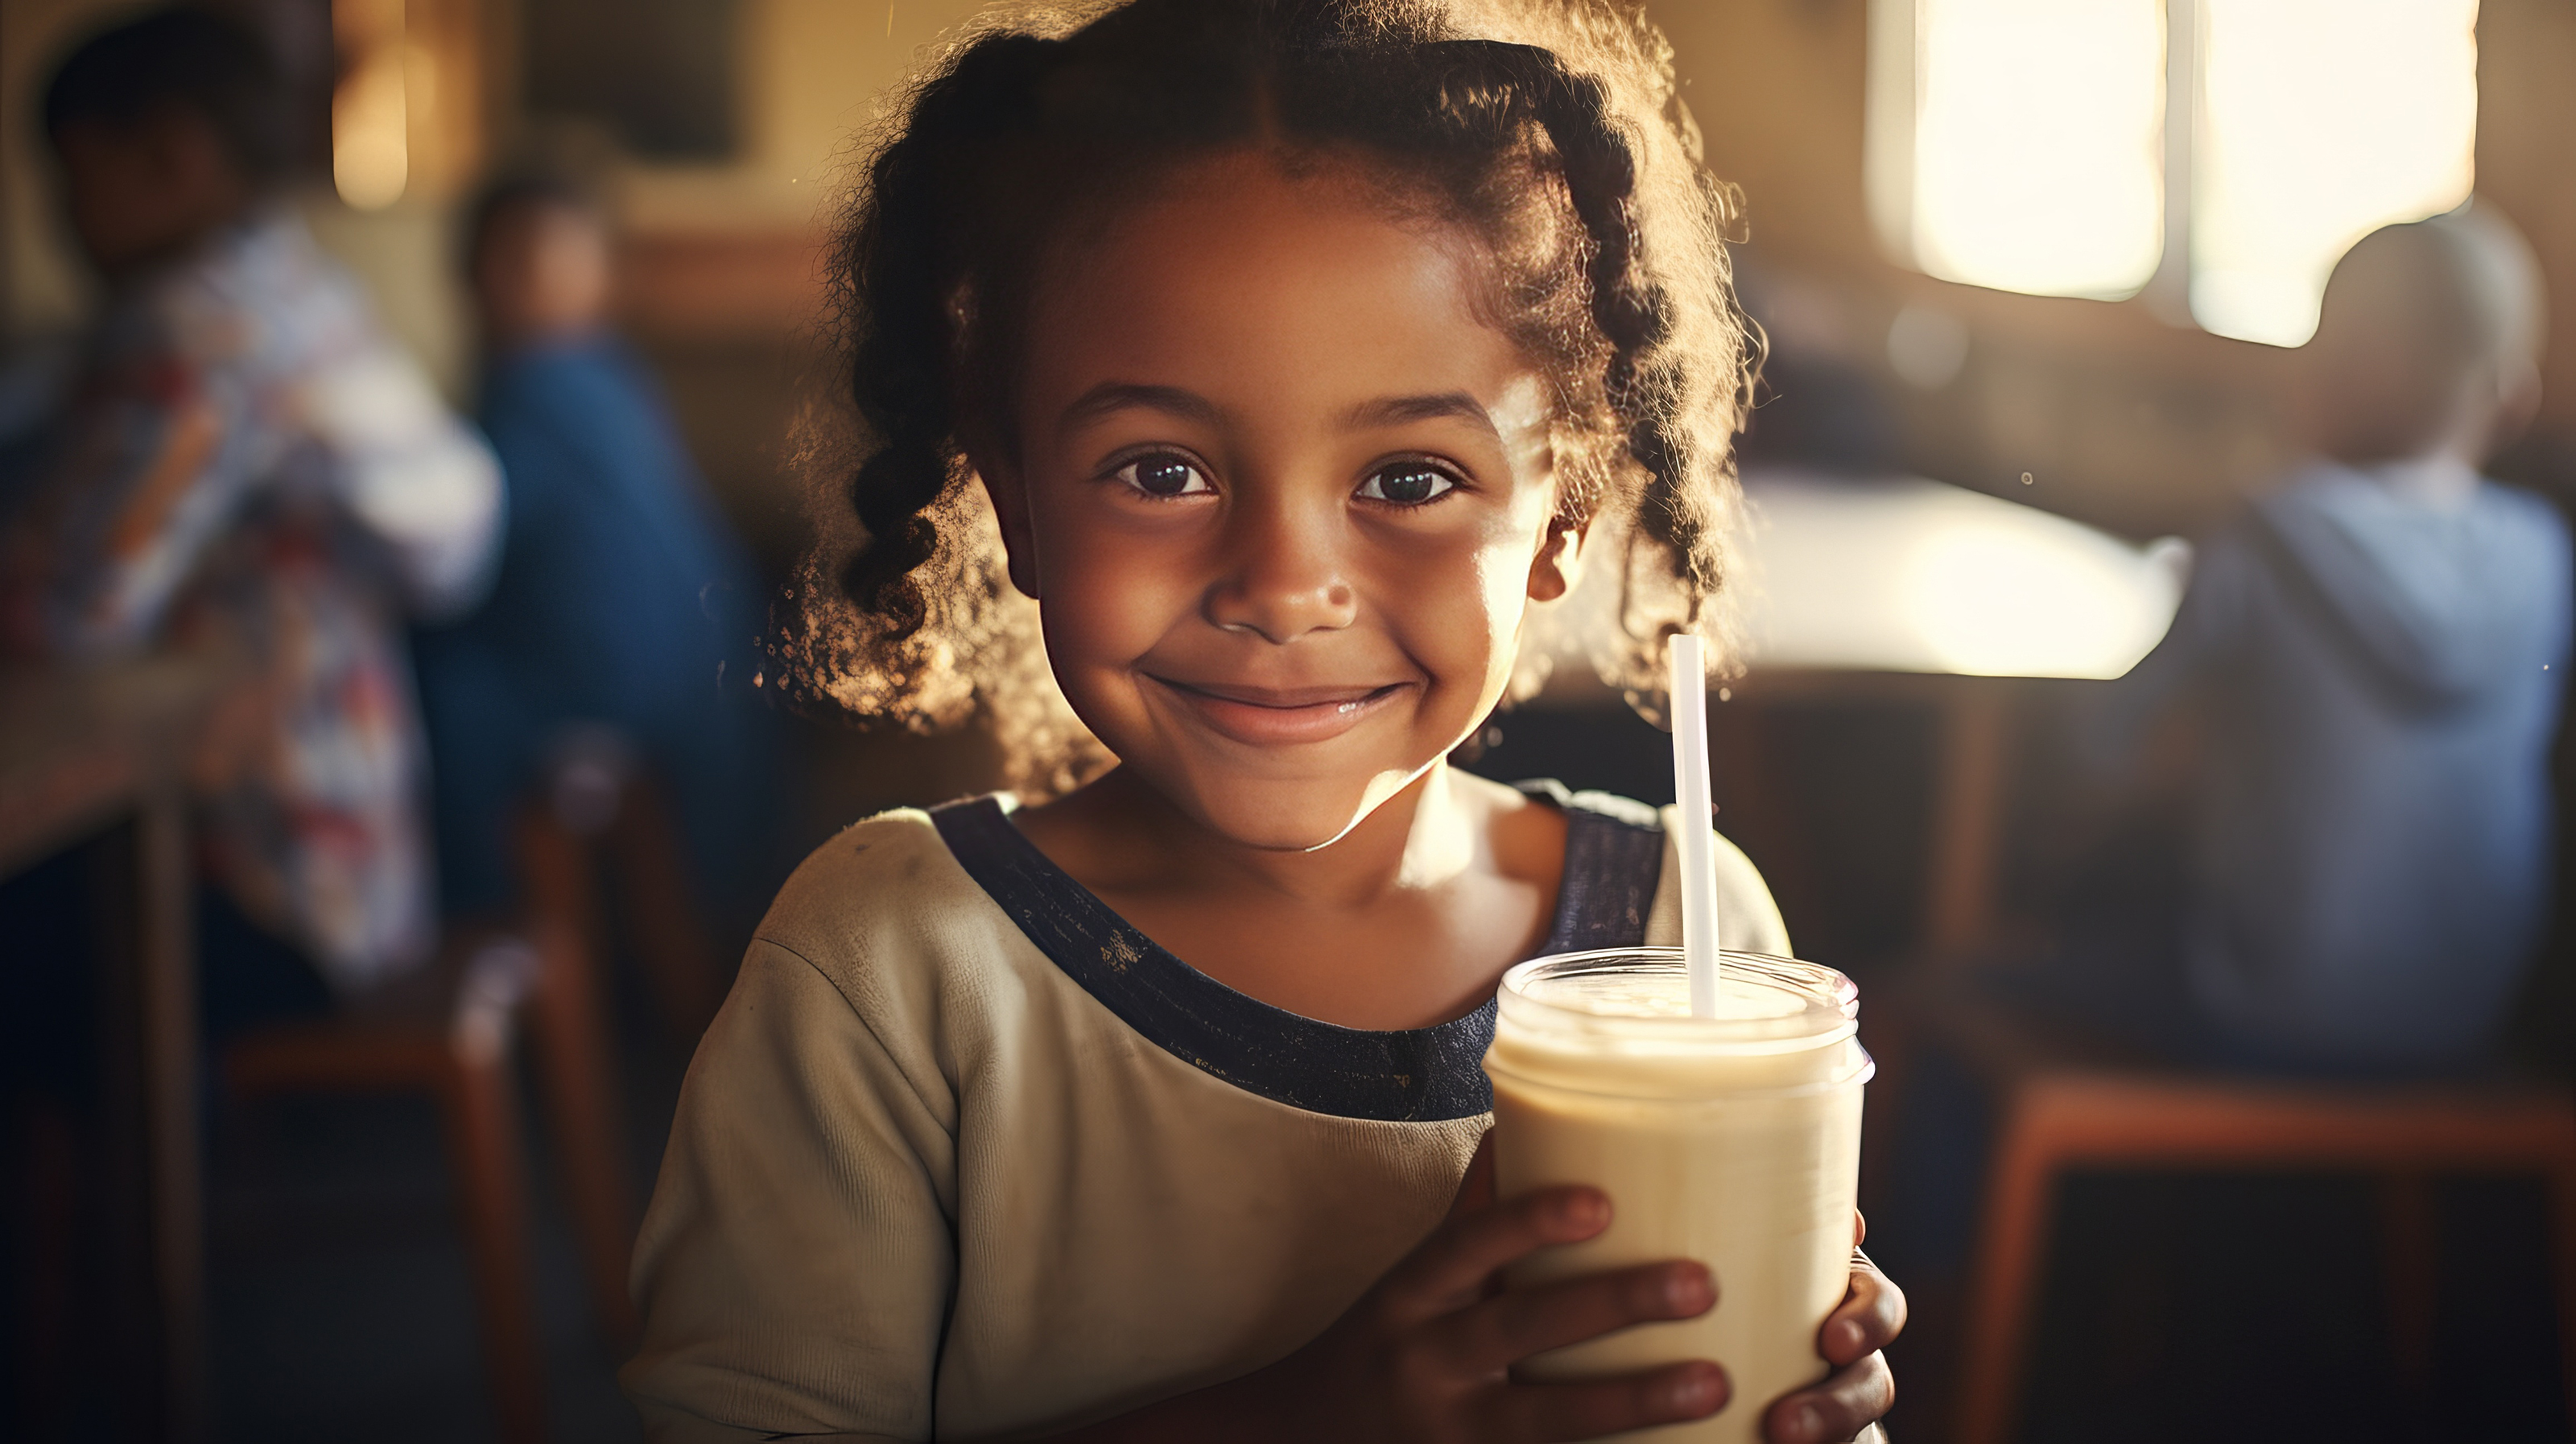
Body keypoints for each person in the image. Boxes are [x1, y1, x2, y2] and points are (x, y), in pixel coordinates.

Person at [621, 2, 1905, 1442]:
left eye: (1411, 477)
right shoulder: (895, 972)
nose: (1287, 588)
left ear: (1567, 521)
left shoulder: (1693, 932)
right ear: (1019, 498)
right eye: (1161, 468)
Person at [0, 10, 501, 1009]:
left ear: (171, 157)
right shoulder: (297, 289)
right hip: (355, 867)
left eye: (73, 175)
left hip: (253, 880)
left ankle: (135, 1164)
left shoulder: (183, 335)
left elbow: (63, 615)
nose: (60, 215)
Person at [2091, 204, 2568, 1074]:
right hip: (2469, 1026)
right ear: (2511, 399)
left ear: (2318, 366)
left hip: (2256, 1014)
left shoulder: (2266, 533)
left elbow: (2097, 752)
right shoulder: (2545, 556)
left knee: (1930, 1005)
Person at [411, 174, 770, 932]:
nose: (526, 281)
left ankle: (474, 934)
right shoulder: (612, 381)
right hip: (696, 669)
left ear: (603, 278)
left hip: (609, 675)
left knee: (431, 689)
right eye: (508, 258)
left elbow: (469, 549)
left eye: (552, 259)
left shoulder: (542, 390)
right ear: (470, 273)